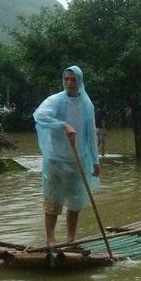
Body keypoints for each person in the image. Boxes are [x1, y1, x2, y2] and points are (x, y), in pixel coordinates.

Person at [32, 66, 101, 248]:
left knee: (75, 201)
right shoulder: (55, 100)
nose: (69, 83)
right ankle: (51, 239)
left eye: (73, 80)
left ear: (80, 81)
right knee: (53, 201)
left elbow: (90, 134)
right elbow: (39, 116)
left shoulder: (87, 105)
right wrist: (63, 125)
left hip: (77, 159)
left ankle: (71, 239)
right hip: (56, 159)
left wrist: (95, 160)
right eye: (66, 79)